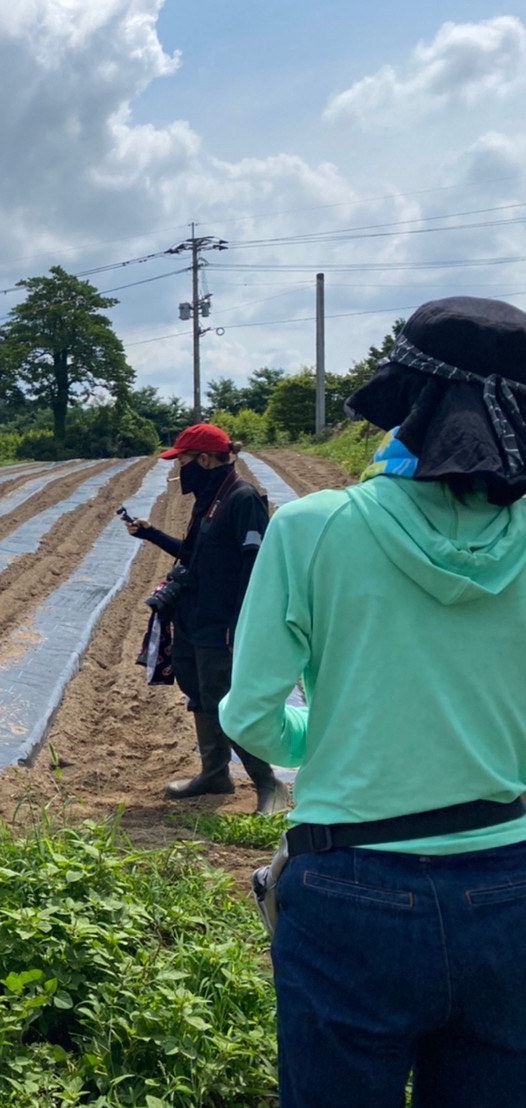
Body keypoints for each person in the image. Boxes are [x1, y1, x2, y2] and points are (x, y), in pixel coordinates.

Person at [221, 296, 526, 1107]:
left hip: (354, 886)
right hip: (511, 885)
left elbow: (248, 714)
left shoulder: (314, 528)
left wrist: (330, 735)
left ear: (409, 405)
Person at [124, 424, 283, 814]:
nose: (178, 470)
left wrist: (240, 625)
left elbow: (257, 567)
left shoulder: (242, 499)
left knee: (225, 700)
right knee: (198, 692)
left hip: (221, 624)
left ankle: (268, 784)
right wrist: (152, 535)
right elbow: (193, 555)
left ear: (206, 460)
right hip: (194, 617)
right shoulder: (209, 498)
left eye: (182, 461)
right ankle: (215, 774)